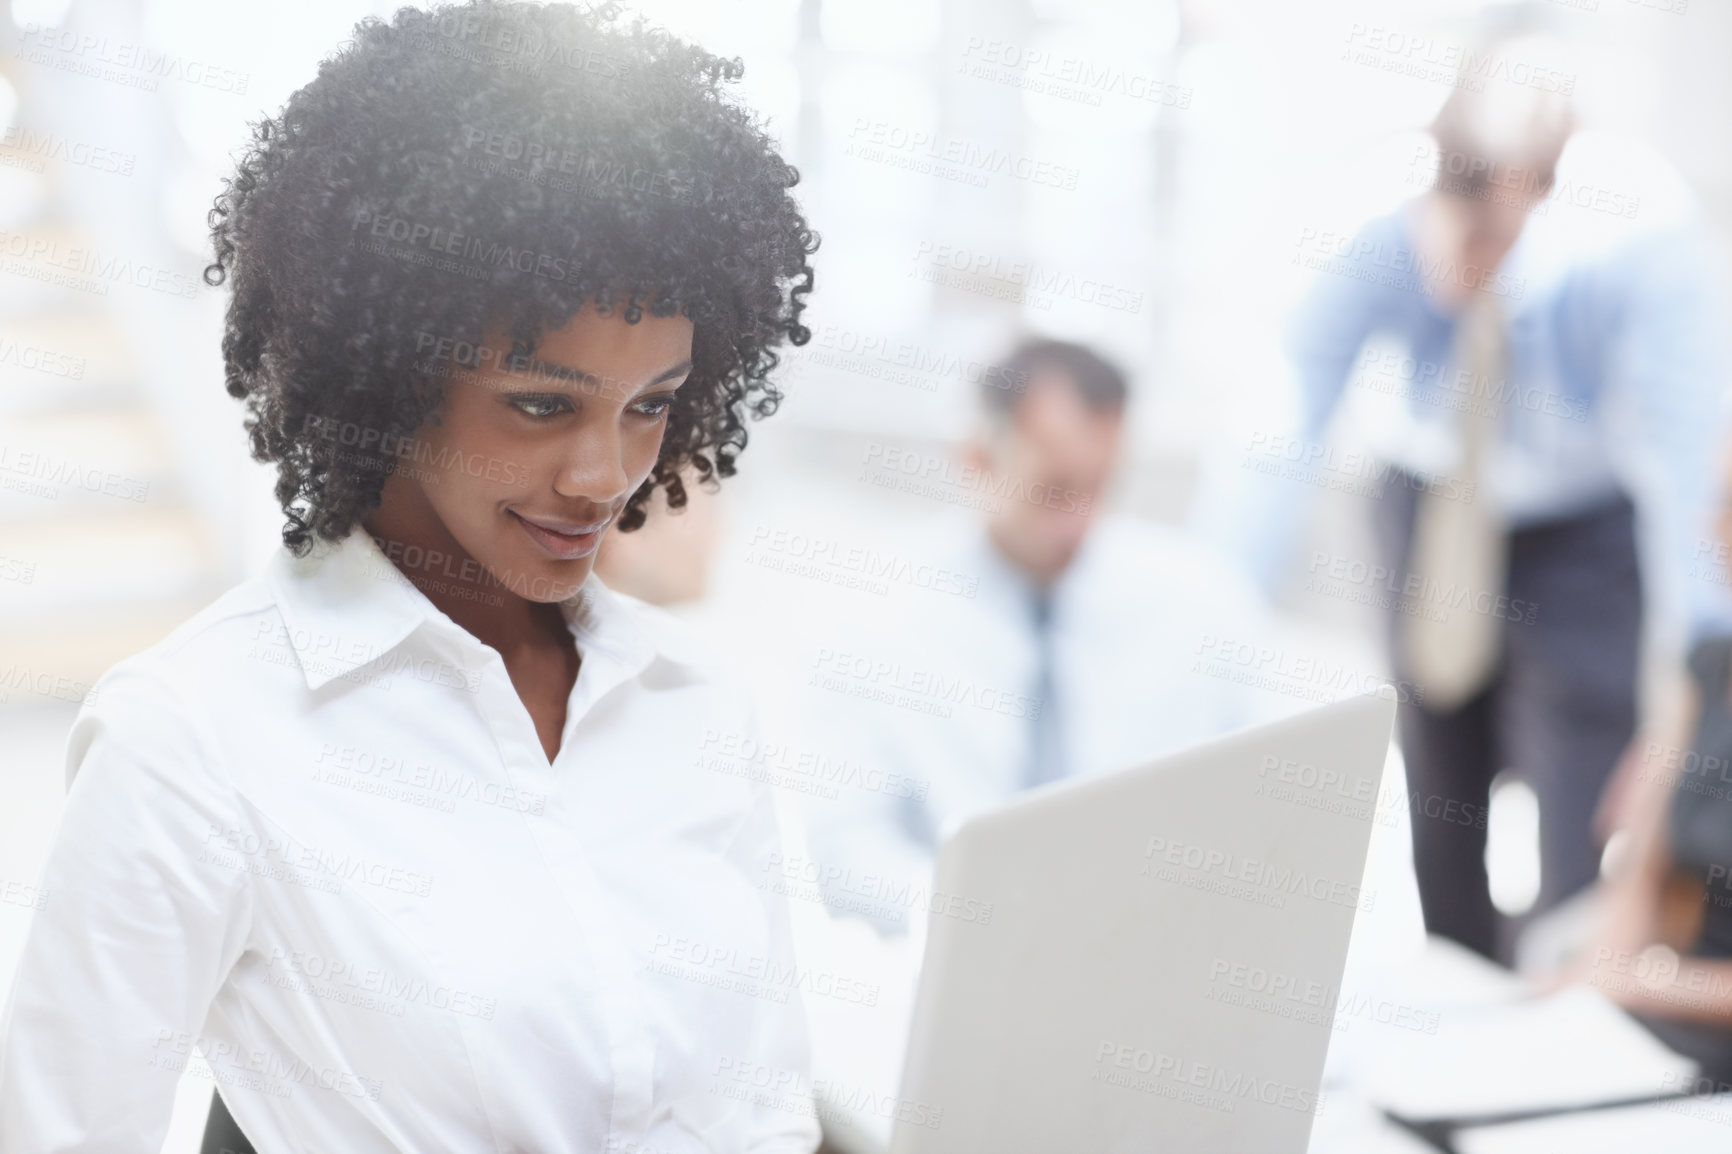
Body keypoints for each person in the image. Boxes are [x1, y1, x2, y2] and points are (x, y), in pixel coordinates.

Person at [0, 4, 823, 1152]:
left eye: (651, 405)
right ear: (384, 370)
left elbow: (762, 1114)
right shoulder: (195, 740)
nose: (606, 475)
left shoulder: (694, 702)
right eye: (541, 404)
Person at [1214, 26, 1729, 961]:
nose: (1462, 262)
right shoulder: (1372, 216)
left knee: (1583, 791)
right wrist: (1201, 622)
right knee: (1438, 787)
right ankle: (1455, 974)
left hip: (1582, 529)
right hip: (1427, 500)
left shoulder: (1637, 239)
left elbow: (1688, 482)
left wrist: (1701, 694)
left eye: (1493, 236)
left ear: (1543, 192)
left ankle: (1563, 991)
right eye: (1449, 226)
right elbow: (1285, 424)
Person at [803, 338, 1279, 936]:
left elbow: (1267, 802)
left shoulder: (1203, 603)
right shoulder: (877, 617)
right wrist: (975, 915)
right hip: (957, 951)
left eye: (1100, 487)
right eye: (1054, 491)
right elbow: (837, 841)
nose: (1081, 521)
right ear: (977, 459)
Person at [1557, 437, 1732, 1087]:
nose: (1713, 529)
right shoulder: (1709, 665)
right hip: (1657, 1021)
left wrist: (1648, 983)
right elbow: (1641, 870)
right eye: (1718, 504)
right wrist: (1602, 977)